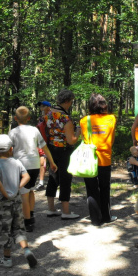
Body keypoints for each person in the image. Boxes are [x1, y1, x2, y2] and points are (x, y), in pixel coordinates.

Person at [0, 134, 37, 268]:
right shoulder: (17, 162)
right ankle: (26, 250)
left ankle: (7, 259)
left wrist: (5, 194)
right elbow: (26, 177)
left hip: (4, 201)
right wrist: (17, 187)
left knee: (4, 229)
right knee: (18, 227)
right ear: (11, 149)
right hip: (16, 200)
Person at [8, 106, 56, 232]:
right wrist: (52, 162)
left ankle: (27, 222)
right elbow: (44, 147)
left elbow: (8, 150)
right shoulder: (34, 130)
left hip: (21, 165)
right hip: (34, 165)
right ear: (29, 118)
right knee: (29, 190)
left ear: (15, 118)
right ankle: (31, 213)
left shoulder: (13, 132)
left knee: (23, 194)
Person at [80, 93, 117, 226]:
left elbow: (84, 138)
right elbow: (111, 139)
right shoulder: (111, 119)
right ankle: (106, 216)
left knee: (91, 189)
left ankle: (95, 219)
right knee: (105, 187)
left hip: (89, 160)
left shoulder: (84, 120)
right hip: (105, 159)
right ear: (104, 105)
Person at [44, 90, 82, 220]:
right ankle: (65, 211)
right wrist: (78, 133)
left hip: (50, 149)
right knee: (65, 179)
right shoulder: (65, 118)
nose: (71, 104)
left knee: (53, 176)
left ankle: (51, 208)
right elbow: (71, 140)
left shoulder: (48, 114)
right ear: (66, 101)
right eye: (71, 102)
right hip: (64, 151)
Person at [36, 101, 52, 191]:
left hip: (52, 142)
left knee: (54, 162)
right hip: (43, 142)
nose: (41, 108)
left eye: (43, 106)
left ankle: (56, 181)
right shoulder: (41, 118)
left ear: (48, 107)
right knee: (42, 162)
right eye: (40, 106)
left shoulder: (52, 117)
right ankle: (41, 182)